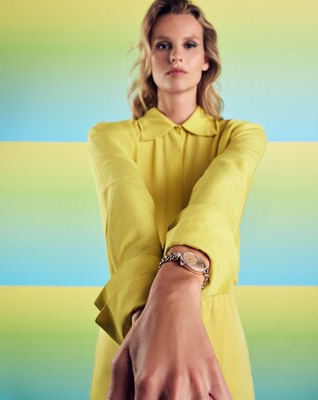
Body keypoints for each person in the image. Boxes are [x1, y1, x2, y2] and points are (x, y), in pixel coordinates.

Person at [87, 0, 267, 398]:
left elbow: (214, 205)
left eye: (189, 45)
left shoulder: (241, 136)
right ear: (148, 58)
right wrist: (150, 322)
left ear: (206, 61)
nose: (176, 56)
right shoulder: (109, 137)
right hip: (134, 317)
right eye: (163, 45)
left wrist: (176, 287)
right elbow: (129, 224)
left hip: (215, 325)